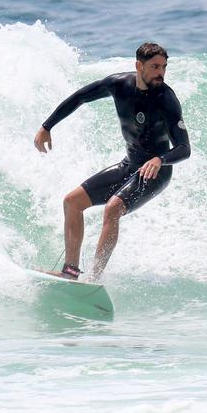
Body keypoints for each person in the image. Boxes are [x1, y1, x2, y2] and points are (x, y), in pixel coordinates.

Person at [33, 43, 190, 280]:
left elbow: (184, 148)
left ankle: (94, 278)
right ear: (139, 66)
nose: (161, 72)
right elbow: (80, 97)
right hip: (130, 165)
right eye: (155, 66)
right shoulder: (119, 85)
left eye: (164, 67)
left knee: (113, 207)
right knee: (72, 202)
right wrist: (47, 126)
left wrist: (161, 159)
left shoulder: (166, 99)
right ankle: (70, 271)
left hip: (156, 172)